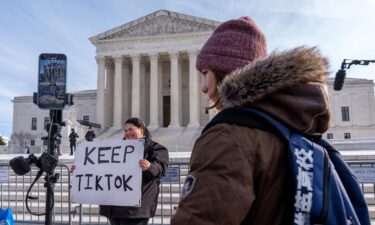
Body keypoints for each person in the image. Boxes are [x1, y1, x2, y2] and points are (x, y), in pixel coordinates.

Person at [171, 17, 330, 225]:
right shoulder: (289, 126)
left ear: (224, 71)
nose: (203, 87)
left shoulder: (229, 136)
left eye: (205, 73)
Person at [99, 117, 169, 225]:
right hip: (114, 206)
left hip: (136, 208)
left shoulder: (156, 149)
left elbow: (160, 169)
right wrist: (81, 169)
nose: (127, 133)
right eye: (125, 130)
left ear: (141, 129)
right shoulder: (115, 150)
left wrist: (149, 167)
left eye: (131, 129)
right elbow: (101, 168)